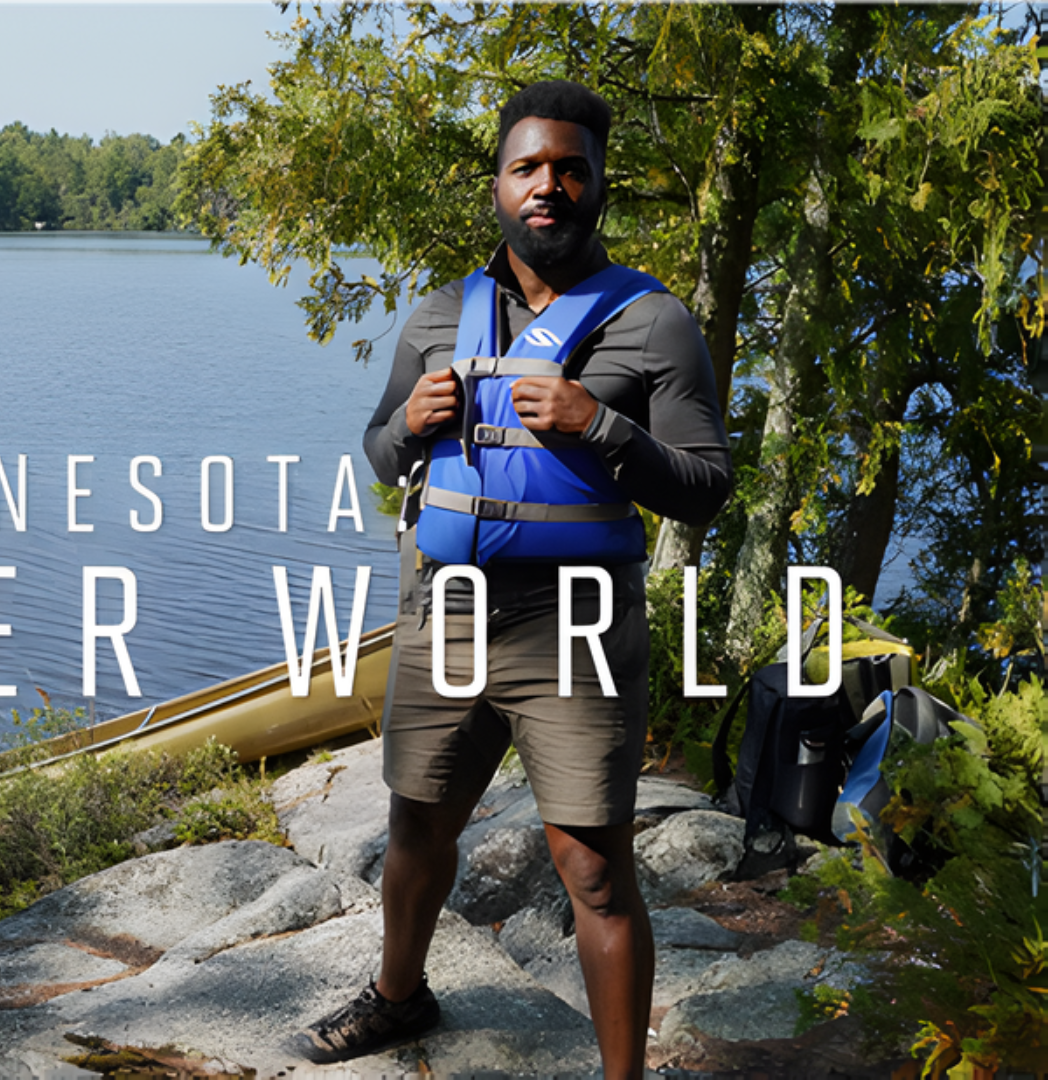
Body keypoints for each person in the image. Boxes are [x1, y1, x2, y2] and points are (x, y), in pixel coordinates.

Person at [294, 80, 734, 1075]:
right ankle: (399, 998)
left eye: (569, 169)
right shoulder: (438, 316)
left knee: (593, 868)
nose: (549, 186)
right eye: (527, 167)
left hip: (575, 628)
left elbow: (706, 489)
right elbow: (378, 450)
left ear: (597, 187)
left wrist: (601, 425)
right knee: (417, 825)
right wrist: (410, 426)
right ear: (496, 186)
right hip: (443, 613)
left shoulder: (653, 324)